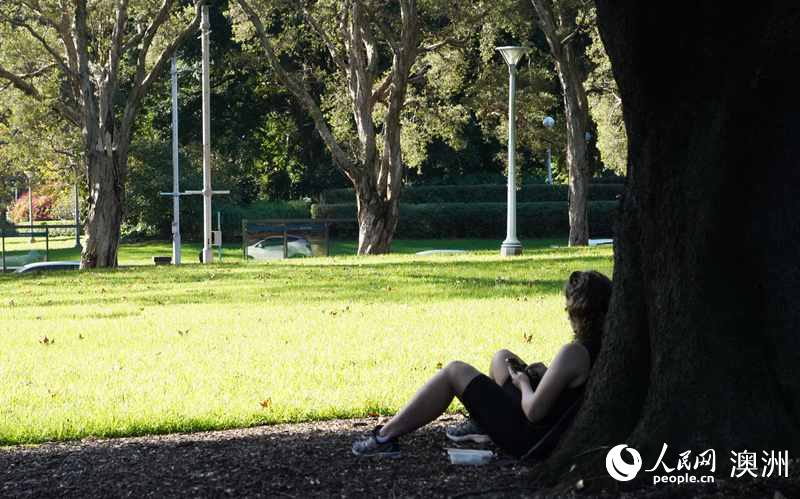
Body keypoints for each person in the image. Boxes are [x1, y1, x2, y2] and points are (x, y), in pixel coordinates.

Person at [351, 270, 612, 459]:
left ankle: (384, 437)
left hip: (532, 438)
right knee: (502, 358)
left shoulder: (574, 352)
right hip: (548, 427)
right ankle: (484, 423)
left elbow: (533, 411)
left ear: (575, 311)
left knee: (455, 371)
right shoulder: (604, 345)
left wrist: (523, 384)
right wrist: (543, 374)